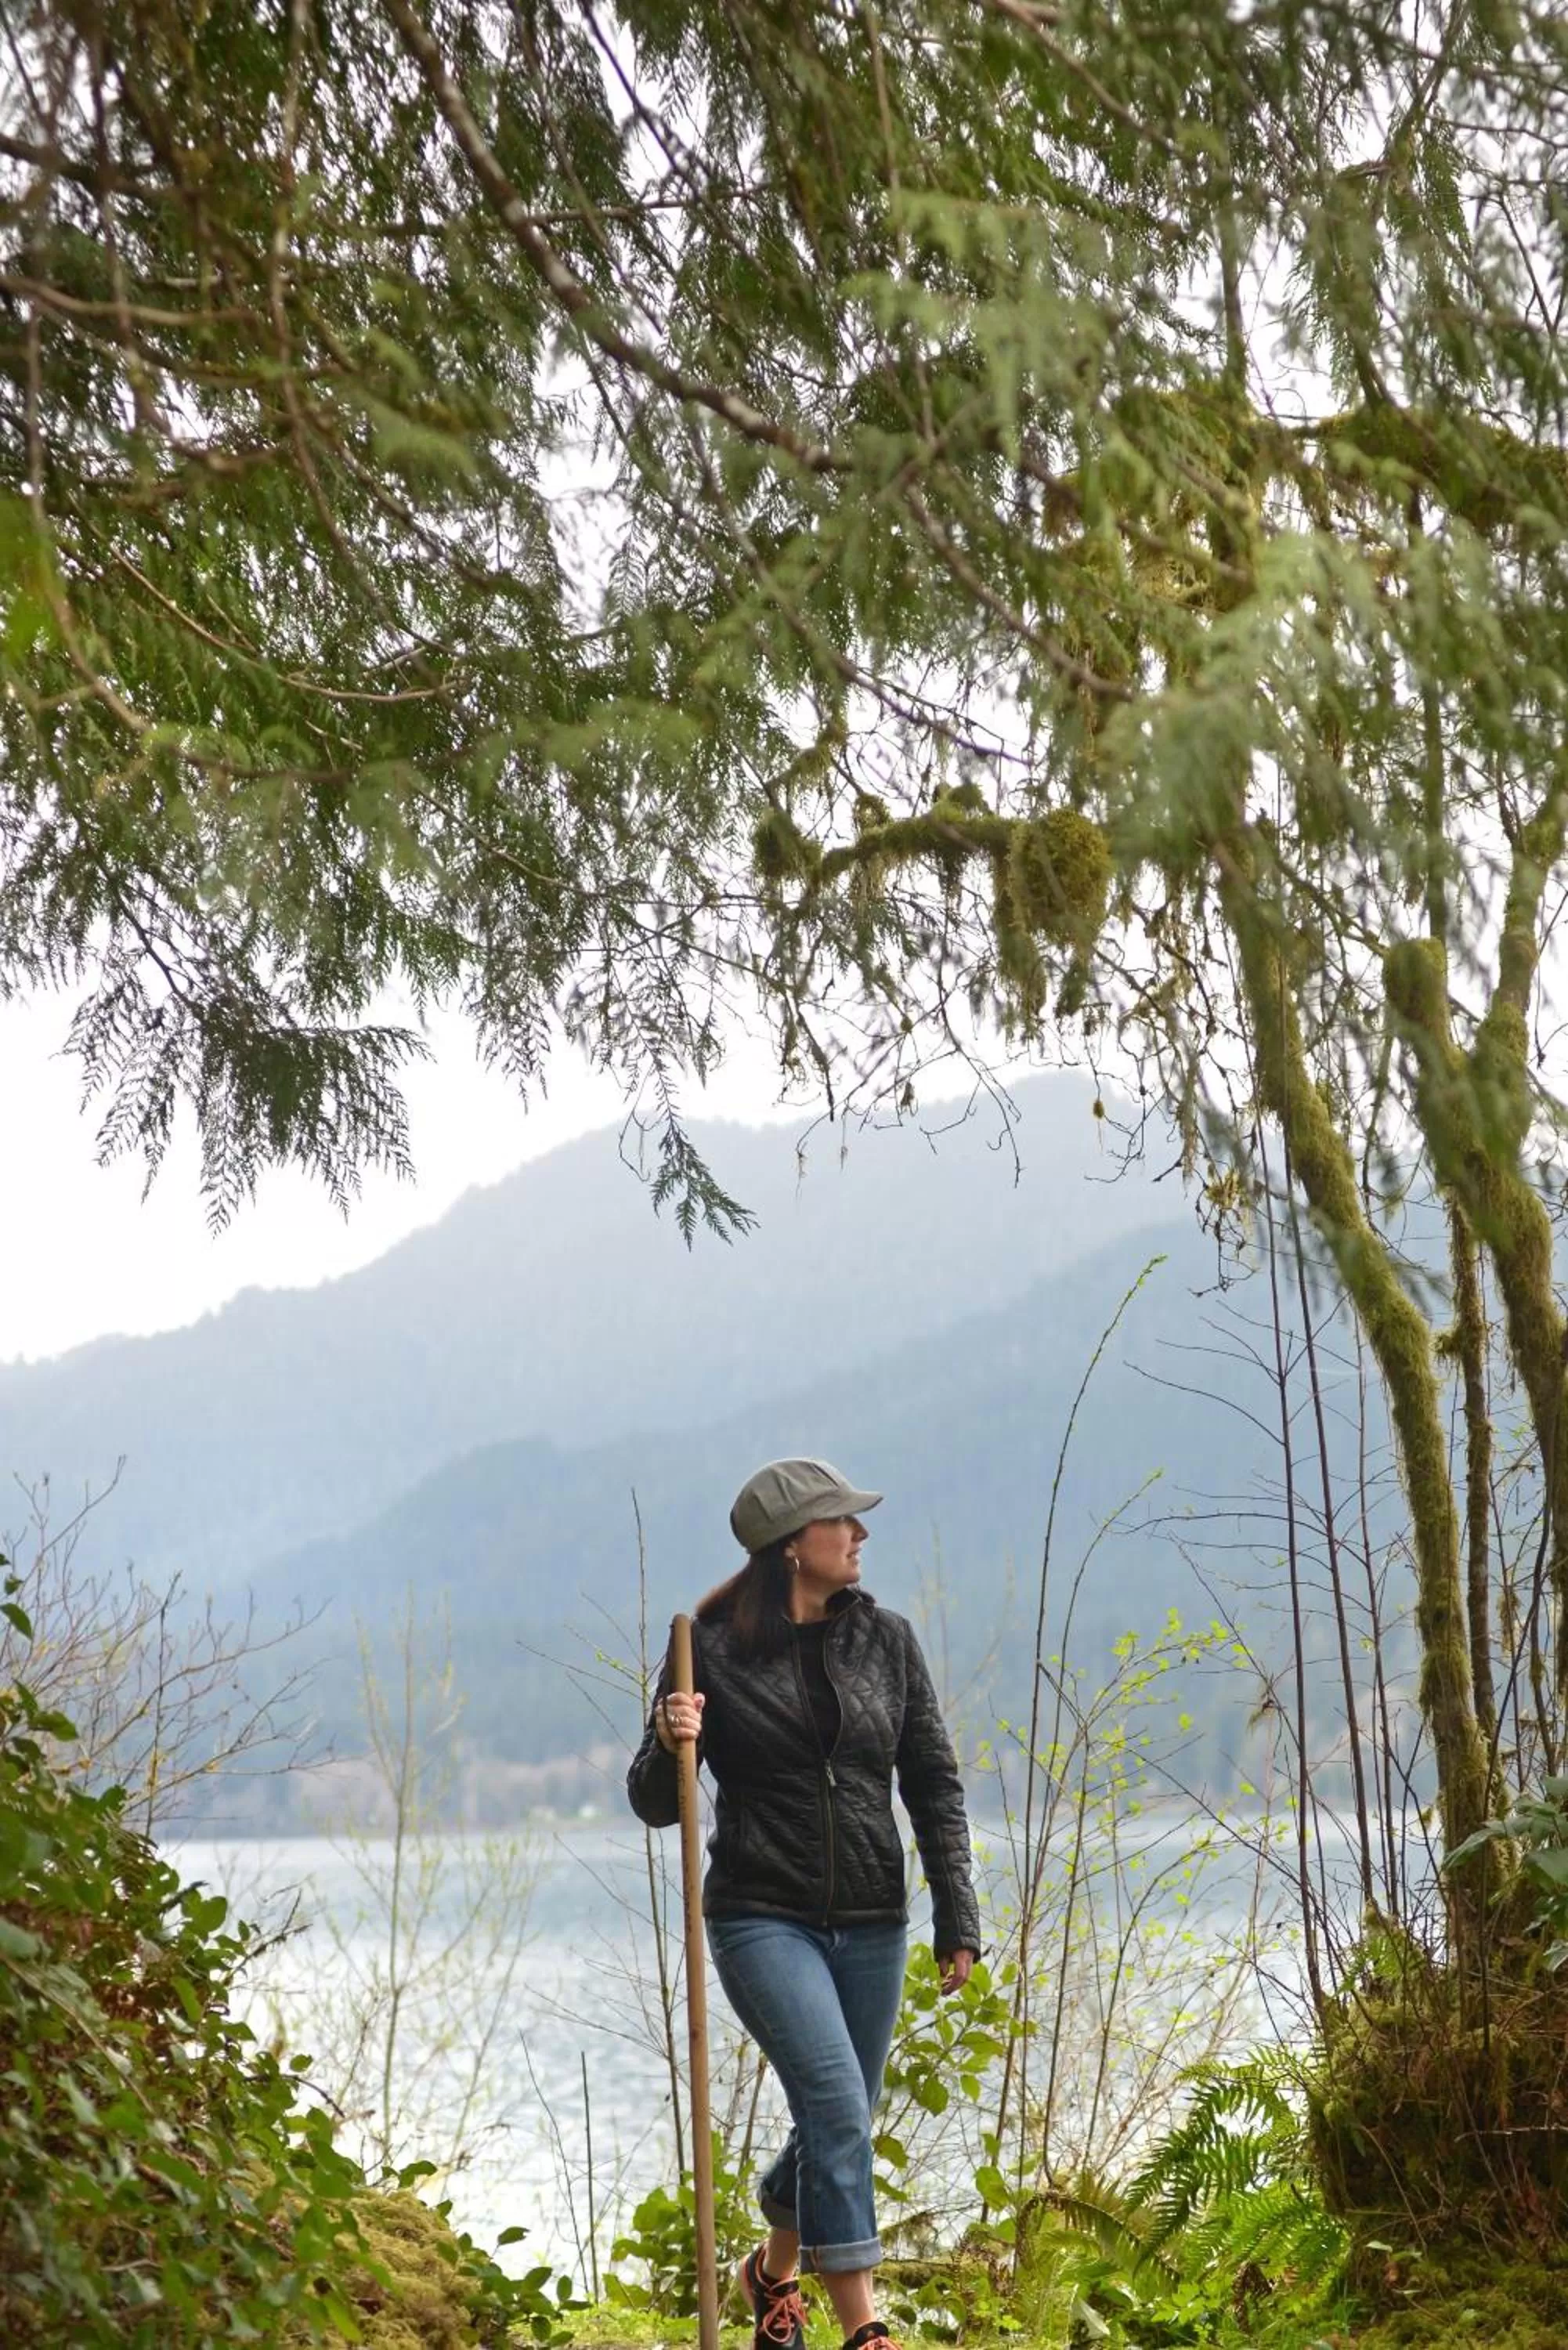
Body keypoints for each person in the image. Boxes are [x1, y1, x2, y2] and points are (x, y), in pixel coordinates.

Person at [627, 1457, 981, 2350]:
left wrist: (956, 1918)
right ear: (792, 1545)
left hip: (872, 1916)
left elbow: (933, 1783)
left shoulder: (886, 1642)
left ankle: (770, 2274)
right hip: (761, 1914)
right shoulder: (701, 1650)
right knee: (832, 2099)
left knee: (840, 2117)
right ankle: (865, 2330)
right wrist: (672, 1738)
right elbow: (654, 1801)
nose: (859, 1535)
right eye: (842, 1522)